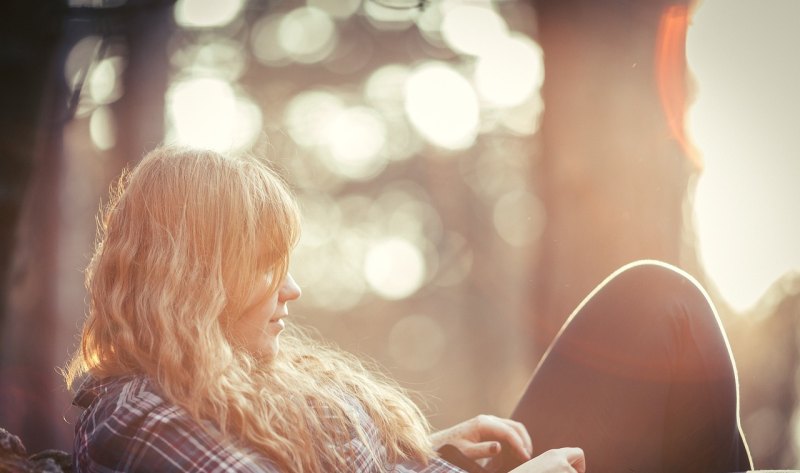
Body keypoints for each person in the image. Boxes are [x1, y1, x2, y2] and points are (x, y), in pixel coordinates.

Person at [64, 146, 752, 473]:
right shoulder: (144, 415)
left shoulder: (223, 380)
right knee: (662, 309)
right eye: (266, 265)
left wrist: (426, 449)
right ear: (200, 278)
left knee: (657, 304)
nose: (292, 289)